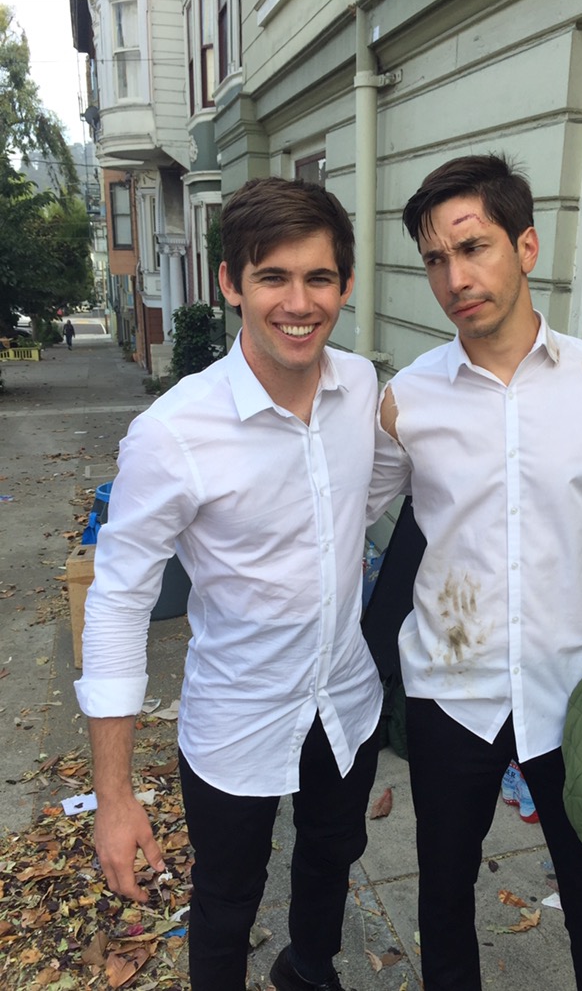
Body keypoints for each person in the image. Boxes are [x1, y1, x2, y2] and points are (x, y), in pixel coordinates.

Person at [367, 153, 582, 991]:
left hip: (570, 694)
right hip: (450, 690)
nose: (456, 278)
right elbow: (345, 512)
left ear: (526, 246)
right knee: (442, 895)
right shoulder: (409, 398)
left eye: (473, 247)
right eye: (436, 259)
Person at [75, 177, 383, 991]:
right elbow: (118, 602)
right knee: (226, 897)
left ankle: (308, 970)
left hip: (345, 700)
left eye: (319, 278)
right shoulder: (173, 432)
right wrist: (114, 795)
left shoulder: (361, 388)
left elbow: (366, 494)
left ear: (346, 284)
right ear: (230, 282)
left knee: (332, 856)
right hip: (238, 717)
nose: (299, 303)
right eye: (272, 276)